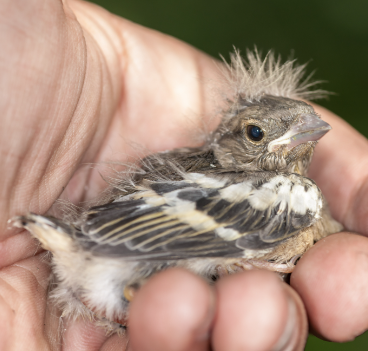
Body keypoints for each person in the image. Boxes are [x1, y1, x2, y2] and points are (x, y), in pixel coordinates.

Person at [1, 1, 368, 350]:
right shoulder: (292, 196)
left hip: (100, 260)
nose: (310, 131)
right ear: (231, 142)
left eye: (306, 126)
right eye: (257, 133)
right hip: (114, 259)